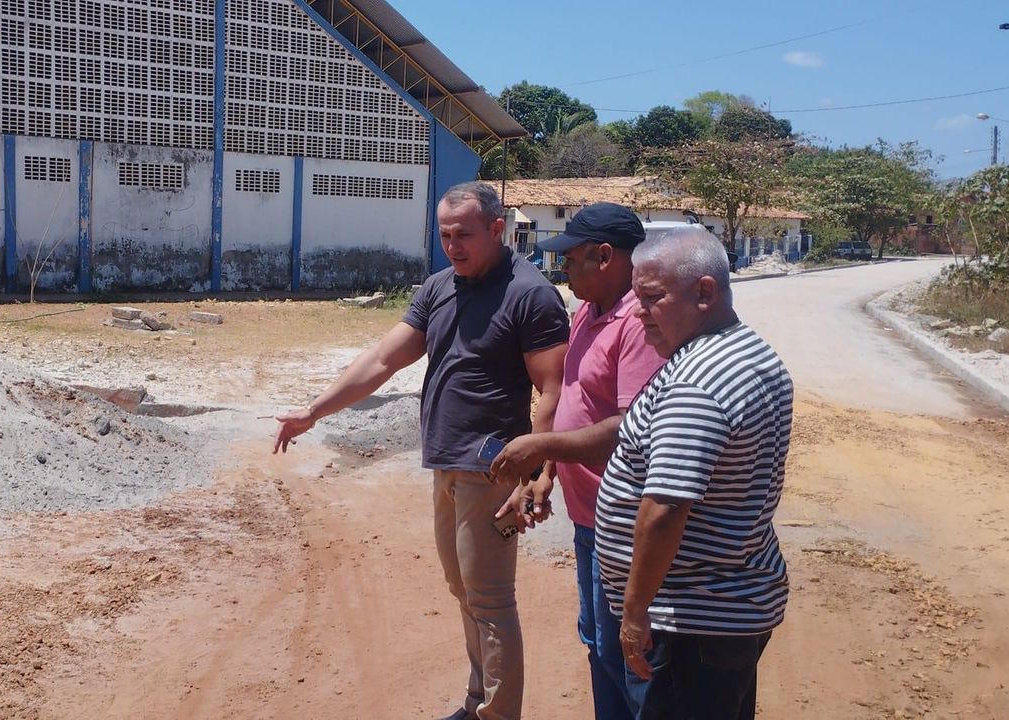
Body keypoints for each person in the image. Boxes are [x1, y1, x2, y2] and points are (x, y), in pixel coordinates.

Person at [274, 181, 569, 720]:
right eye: (445, 235)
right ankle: (478, 700)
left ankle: (497, 713)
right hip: (446, 463)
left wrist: (536, 470)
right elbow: (382, 361)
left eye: (465, 235)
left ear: (498, 230)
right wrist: (313, 411)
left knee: (491, 600)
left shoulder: (530, 294)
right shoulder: (438, 288)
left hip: (494, 469)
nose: (453, 246)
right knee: (464, 591)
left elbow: (552, 388)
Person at [595, 226, 793, 720]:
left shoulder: (697, 383)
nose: (638, 313)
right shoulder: (745, 351)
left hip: (688, 620)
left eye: (652, 298)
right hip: (722, 609)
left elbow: (664, 508)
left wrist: (635, 615)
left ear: (704, 292)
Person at [487, 203, 667, 718]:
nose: (563, 268)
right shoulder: (589, 308)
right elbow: (572, 397)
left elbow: (635, 429)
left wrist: (542, 448)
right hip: (591, 519)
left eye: (571, 258)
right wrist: (548, 474)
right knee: (599, 644)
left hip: (625, 524)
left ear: (605, 256)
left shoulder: (638, 323)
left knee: (628, 656)